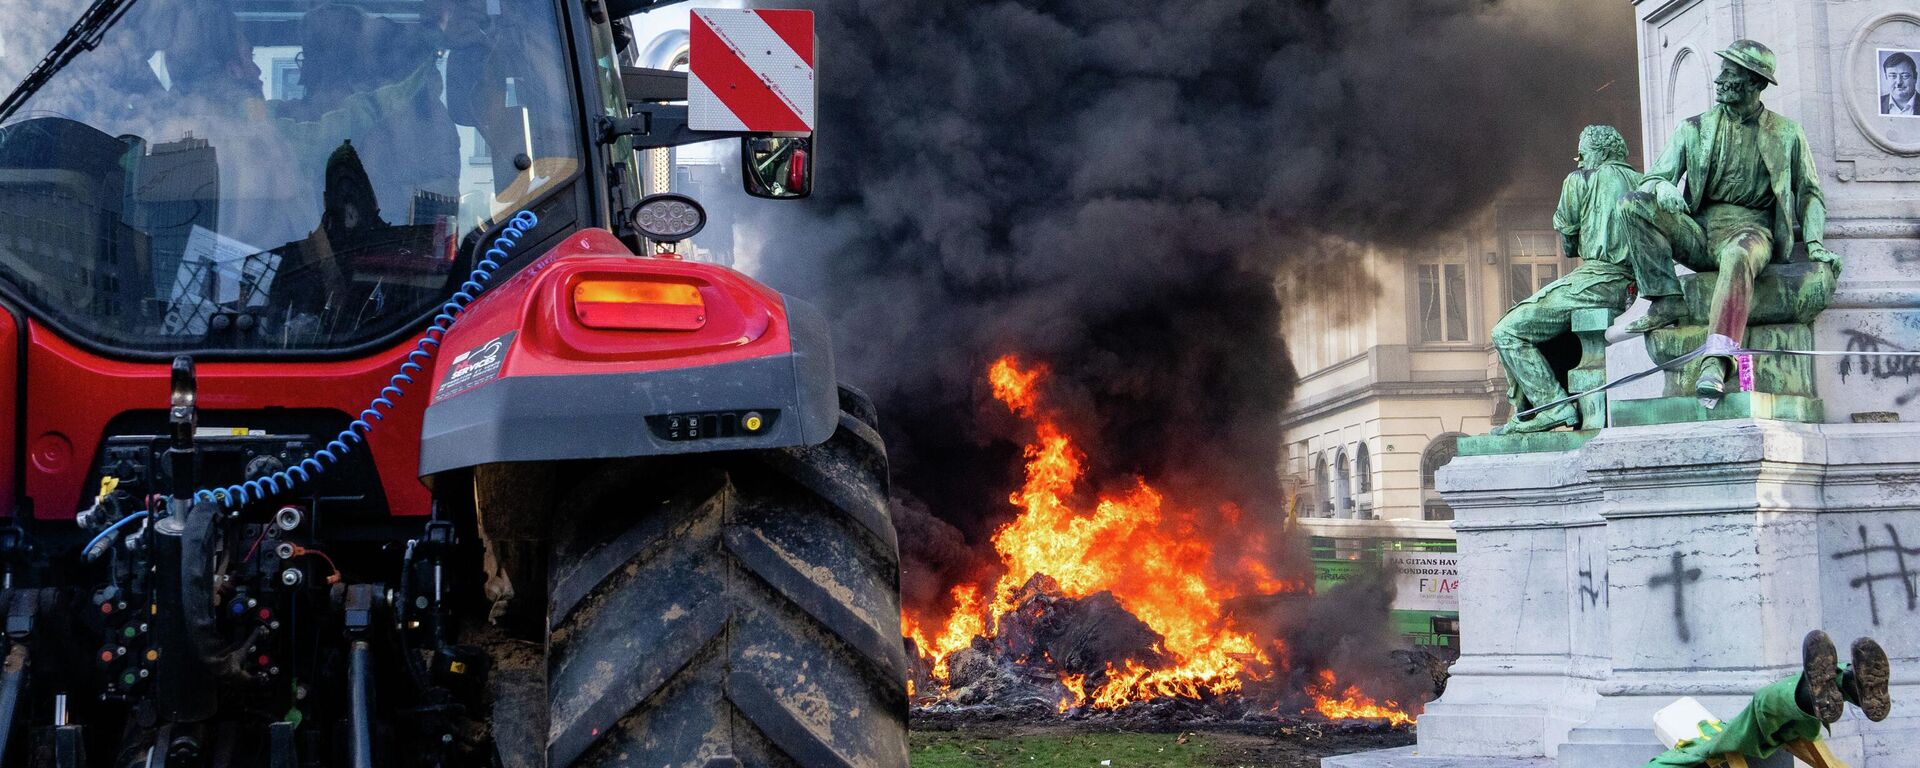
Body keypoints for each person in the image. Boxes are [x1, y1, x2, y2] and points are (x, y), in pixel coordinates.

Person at [1618, 40, 1841, 401]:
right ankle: (1666, 299)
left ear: (1755, 83)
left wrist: (1814, 243)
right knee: (1632, 204)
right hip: (1699, 230)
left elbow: (1810, 194)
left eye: (1730, 74)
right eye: (1722, 72)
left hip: (1751, 230)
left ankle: (1718, 359)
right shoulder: (1694, 129)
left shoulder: (1787, 133)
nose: (1719, 80)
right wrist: (1661, 188)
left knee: (1738, 256)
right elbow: (1653, 178)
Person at [1490, 125, 1680, 435]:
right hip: (1634, 290)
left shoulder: (1581, 179)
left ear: (1601, 153)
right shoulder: (1646, 183)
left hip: (1597, 280)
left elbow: (1567, 242)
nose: (1579, 161)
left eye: (1583, 154)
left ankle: (1552, 406)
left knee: (1507, 331)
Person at [1645, 630, 1890, 767]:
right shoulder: (1690, 751)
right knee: (1763, 702)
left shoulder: (1713, 733)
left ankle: (1836, 687)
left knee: (1770, 709)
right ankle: (1847, 683)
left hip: (1745, 734)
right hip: (1729, 742)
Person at [1884, 52, 1917, 117]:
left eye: (1905, 76)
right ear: (1886, 78)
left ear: (1915, 77)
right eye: (1893, 76)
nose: (1899, 82)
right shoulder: (1876, 102)